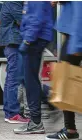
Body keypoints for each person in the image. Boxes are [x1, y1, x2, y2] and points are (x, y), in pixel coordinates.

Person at [13, 1, 54, 134]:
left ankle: (36, 122)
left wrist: (27, 40)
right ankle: (51, 102)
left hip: (34, 40)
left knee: (29, 80)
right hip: (35, 38)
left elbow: (36, 18)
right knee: (26, 79)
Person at [46, 1, 82, 139]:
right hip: (73, 35)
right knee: (67, 82)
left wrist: (77, 44)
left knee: (66, 83)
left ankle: (70, 129)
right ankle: (70, 128)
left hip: (75, 36)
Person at [0, 1, 29, 124]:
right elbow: (23, 20)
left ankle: (11, 112)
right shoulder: (13, 2)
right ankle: (12, 113)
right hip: (13, 42)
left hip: (13, 41)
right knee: (14, 78)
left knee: (12, 78)